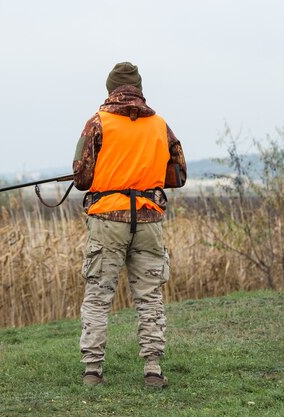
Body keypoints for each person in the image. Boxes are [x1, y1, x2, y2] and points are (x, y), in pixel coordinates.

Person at [72, 62, 187, 388]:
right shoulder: (161, 126)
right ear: (139, 89)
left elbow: (81, 178)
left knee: (98, 296)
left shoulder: (98, 123)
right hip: (149, 220)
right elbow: (178, 174)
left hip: (107, 219)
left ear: (111, 89)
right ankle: (152, 369)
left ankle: (93, 371)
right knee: (149, 297)